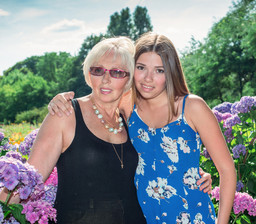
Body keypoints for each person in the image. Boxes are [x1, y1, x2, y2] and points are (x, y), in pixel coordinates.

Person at [49, 32, 236, 224]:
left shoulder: (192, 107)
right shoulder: (129, 107)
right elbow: (96, 98)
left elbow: (227, 169)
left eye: (159, 70)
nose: (148, 78)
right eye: (141, 68)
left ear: (171, 72)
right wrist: (60, 101)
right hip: (147, 218)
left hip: (194, 215)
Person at [1, 36, 147, 223]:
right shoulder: (64, 114)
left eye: (117, 72)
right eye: (97, 70)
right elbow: (28, 182)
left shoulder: (131, 118)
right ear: (88, 72)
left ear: (129, 79)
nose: (105, 79)